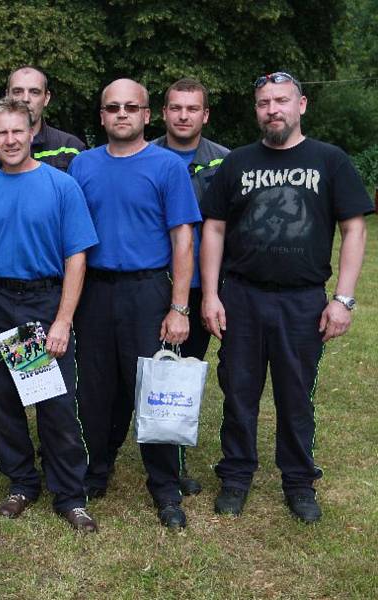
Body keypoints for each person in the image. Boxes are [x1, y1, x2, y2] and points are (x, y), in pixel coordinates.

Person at [200, 71, 373, 523]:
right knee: (238, 393)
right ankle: (236, 477)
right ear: (256, 110)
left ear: (302, 105)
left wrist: (344, 299)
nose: (272, 109)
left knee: (296, 396)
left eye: (281, 100)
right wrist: (211, 295)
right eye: (263, 102)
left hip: (302, 300)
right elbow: (214, 229)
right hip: (241, 296)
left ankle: (298, 482)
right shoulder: (236, 163)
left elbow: (354, 228)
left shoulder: (329, 161)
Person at [0, 97, 99, 531]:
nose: (10, 139)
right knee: (3, 400)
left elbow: (77, 257)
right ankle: (22, 482)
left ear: (32, 133)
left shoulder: (59, 186)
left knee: (51, 401)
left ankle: (69, 495)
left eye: (18, 131)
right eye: (1, 132)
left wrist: (62, 320)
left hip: (40, 303)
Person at [69, 78, 200, 528]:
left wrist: (179, 307)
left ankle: (164, 486)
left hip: (148, 291)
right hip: (94, 292)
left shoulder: (167, 167)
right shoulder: (82, 167)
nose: (121, 114)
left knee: (153, 387)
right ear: (102, 116)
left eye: (131, 107)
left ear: (148, 115)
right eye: (112, 107)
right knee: (97, 389)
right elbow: (71, 240)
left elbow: (183, 238)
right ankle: (95, 472)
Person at [152, 77, 230, 496]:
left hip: (202, 286)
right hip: (150, 283)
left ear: (205, 114)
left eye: (192, 108)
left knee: (181, 376)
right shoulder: (145, 156)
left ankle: (172, 464)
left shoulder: (225, 162)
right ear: (163, 112)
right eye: (176, 107)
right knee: (143, 371)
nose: (183, 115)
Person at [0, 66, 86, 178]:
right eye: (17, 92)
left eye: (34, 92)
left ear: (46, 98)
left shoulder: (70, 148)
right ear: (7, 96)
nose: (25, 99)